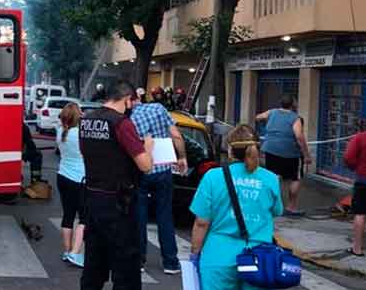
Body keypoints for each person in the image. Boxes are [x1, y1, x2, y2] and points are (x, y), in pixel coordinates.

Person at [79, 80, 154, 290]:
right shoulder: (122, 124)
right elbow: (145, 165)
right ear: (127, 100)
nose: (133, 108)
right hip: (118, 203)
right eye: (134, 103)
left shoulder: (87, 120)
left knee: (94, 264)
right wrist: (147, 147)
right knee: (126, 268)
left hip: (92, 200)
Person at [189, 125, 283, 290]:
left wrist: (195, 253)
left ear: (230, 150)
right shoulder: (271, 179)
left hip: (218, 256)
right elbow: (276, 211)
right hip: (259, 258)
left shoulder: (213, 177)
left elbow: (201, 223)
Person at [130, 102, 188, 275]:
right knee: (165, 215)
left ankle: (139, 261)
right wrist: (182, 157)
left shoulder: (130, 119)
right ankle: (170, 262)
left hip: (142, 171)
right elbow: (176, 135)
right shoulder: (159, 108)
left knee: (139, 217)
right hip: (163, 171)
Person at [256, 94, 313, 216]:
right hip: (290, 153)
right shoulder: (295, 118)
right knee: (296, 178)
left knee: (273, 176)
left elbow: (258, 117)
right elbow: (299, 136)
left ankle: (270, 204)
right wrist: (306, 154)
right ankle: (290, 207)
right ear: (293, 104)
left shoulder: (272, 112)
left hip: (270, 149)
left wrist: (267, 125)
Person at [56, 102, 86, 268]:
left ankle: (67, 251)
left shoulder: (61, 132)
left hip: (62, 176)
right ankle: (75, 252)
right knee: (84, 217)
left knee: (68, 215)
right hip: (80, 179)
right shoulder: (81, 134)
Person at [343, 121, 366, 257]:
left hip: (363, 180)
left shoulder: (359, 137)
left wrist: (355, 168)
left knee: (360, 213)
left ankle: (357, 248)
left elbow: (348, 158)